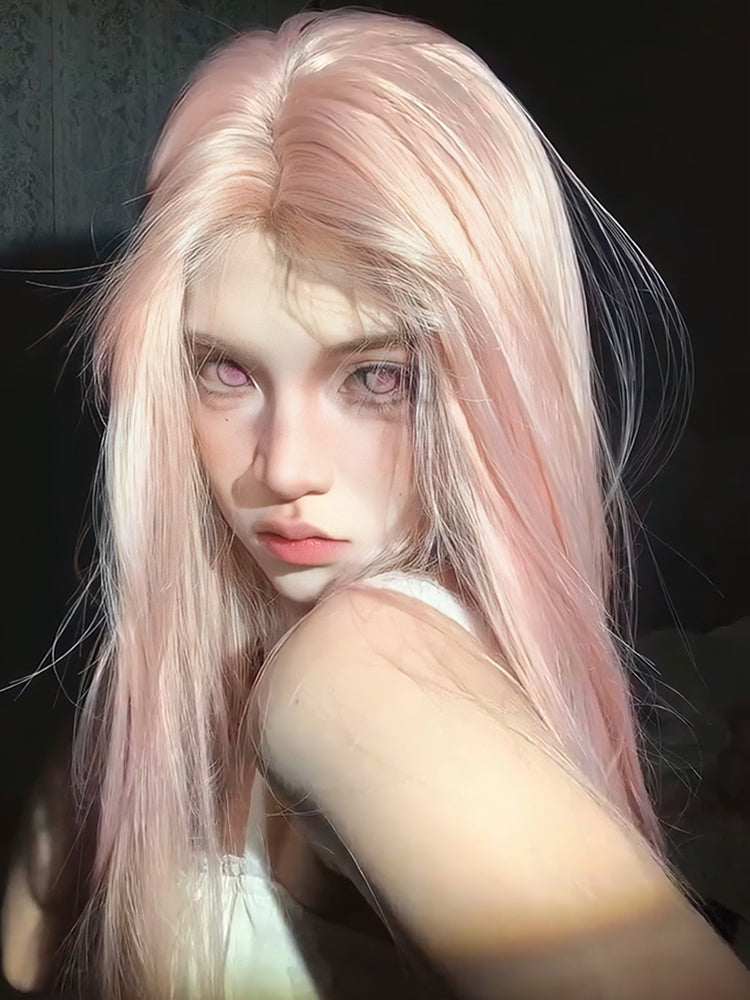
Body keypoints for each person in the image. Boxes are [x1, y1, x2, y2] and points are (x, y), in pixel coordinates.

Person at [2, 8, 748, 999]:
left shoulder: (362, 667)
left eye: (377, 377)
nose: (285, 468)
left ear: (495, 386)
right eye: (226, 370)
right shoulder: (167, 674)